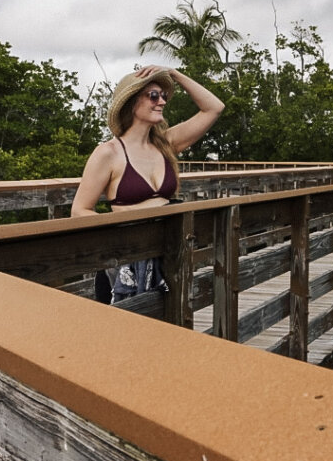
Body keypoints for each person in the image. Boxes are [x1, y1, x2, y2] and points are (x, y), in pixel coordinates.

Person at [71, 65, 224, 303]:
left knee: (167, 333)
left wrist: (174, 74)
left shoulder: (166, 144)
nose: (161, 101)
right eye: (153, 95)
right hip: (126, 264)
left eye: (163, 96)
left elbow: (214, 108)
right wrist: (125, 233)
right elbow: (79, 210)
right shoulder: (108, 153)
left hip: (168, 258)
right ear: (132, 102)